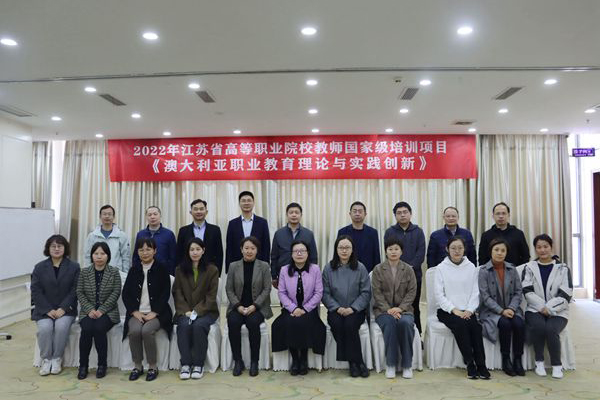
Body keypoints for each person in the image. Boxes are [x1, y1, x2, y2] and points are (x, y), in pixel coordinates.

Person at [434, 236, 490, 379]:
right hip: (447, 311)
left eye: (460, 248)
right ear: (447, 249)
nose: (457, 251)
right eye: (453, 248)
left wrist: (470, 310)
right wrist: (454, 310)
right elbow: (439, 295)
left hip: (467, 310)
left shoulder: (471, 267)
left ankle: (481, 365)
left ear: (464, 249)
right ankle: (470, 364)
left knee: (476, 328)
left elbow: (475, 292)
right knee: (461, 326)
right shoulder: (441, 268)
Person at [271, 240, 326, 375]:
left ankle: (304, 358)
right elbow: (282, 293)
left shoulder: (315, 269)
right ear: (291, 254)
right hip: (291, 309)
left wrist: (305, 309)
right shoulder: (284, 270)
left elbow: (319, 292)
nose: (299, 254)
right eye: (296, 251)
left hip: (309, 309)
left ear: (308, 253)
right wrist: (294, 309)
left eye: (302, 251)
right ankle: (295, 359)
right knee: (289, 322)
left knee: (305, 322)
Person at [122, 238, 173, 381]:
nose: (145, 253)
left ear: (155, 251)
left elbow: (165, 293)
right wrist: (134, 311)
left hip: (157, 313)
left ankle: (152, 366)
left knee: (146, 330)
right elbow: (126, 294)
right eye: (141, 250)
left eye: (148, 249)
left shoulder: (162, 269)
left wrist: (154, 312)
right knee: (134, 331)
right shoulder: (134, 270)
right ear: (137, 252)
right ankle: (137, 366)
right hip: (137, 313)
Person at [522, 234, 572, 379]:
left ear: (551, 247)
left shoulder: (562, 268)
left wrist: (549, 308)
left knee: (551, 329)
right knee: (539, 327)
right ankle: (539, 362)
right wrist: (542, 307)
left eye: (545, 246)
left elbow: (566, 293)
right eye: (539, 247)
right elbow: (527, 291)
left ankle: (557, 365)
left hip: (559, 311)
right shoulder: (529, 267)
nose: (542, 250)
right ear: (535, 249)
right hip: (534, 309)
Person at [322, 235, 371, 378]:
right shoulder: (328, 268)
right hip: (335, 309)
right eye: (341, 247)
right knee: (337, 324)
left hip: (355, 309)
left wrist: (353, 308)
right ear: (336, 250)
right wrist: (337, 308)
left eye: (347, 247)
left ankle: (354, 363)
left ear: (352, 249)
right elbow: (325, 293)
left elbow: (366, 292)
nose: (344, 250)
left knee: (350, 325)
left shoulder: (360, 267)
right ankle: (356, 361)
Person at [31, 235, 80, 376]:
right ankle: (46, 359)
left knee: (61, 327)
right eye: (53, 246)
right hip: (44, 310)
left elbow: (75, 290)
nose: (57, 249)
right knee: (45, 328)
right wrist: (48, 309)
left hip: (66, 310)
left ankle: (57, 358)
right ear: (48, 248)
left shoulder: (74, 267)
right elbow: (36, 291)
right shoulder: (39, 267)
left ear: (65, 248)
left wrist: (63, 308)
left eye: (60, 246)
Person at [173, 238, 219, 380]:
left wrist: (197, 311)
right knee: (184, 326)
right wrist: (186, 310)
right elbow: (177, 292)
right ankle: (185, 364)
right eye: (192, 249)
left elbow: (211, 296)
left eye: (198, 249)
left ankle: (199, 364)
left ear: (203, 250)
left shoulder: (212, 270)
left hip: (206, 311)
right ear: (188, 252)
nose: (195, 252)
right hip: (185, 311)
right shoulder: (180, 269)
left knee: (199, 326)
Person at [225, 236, 272, 377]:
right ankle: (238, 361)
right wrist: (238, 306)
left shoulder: (264, 266)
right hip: (237, 306)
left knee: (253, 322)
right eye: (246, 248)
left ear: (257, 250)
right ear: (241, 250)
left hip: (257, 307)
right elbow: (229, 289)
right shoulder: (233, 266)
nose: (249, 251)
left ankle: (254, 362)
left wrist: (255, 306)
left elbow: (267, 289)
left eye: (252, 248)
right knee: (233, 321)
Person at [371, 236, 417, 379]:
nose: (393, 252)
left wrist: (400, 308)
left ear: (401, 251)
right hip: (383, 311)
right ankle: (390, 364)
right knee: (390, 323)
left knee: (405, 323)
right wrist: (389, 310)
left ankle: (407, 365)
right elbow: (377, 293)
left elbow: (412, 292)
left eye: (396, 249)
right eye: (390, 249)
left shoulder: (408, 269)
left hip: (405, 311)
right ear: (386, 251)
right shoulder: (378, 269)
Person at [478, 239, 525, 376]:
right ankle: (506, 359)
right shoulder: (484, 271)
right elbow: (485, 297)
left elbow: (518, 292)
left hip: (511, 309)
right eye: (496, 250)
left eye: (503, 250)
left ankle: (518, 359)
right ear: (491, 251)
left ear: (506, 253)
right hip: (491, 311)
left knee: (519, 323)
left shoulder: (512, 269)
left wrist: (511, 308)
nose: (500, 253)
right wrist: (501, 311)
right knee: (505, 323)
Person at [76, 242, 122, 379]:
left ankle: (102, 365)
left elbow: (116, 292)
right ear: (92, 256)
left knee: (99, 328)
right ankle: (83, 365)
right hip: (87, 311)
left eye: (102, 253)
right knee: (86, 329)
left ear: (108, 256)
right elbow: (80, 292)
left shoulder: (114, 272)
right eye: (96, 253)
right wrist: (89, 309)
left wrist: (101, 310)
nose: (99, 256)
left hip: (108, 312)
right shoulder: (84, 272)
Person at [383, 201, 426, 333]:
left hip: (414, 276)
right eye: (399, 213)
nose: (402, 215)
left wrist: (408, 269)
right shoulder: (390, 232)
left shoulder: (418, 231)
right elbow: (388, 252)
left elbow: (421, 253)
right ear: (395, 215)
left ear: (410, 214)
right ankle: (398, 332)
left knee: (414, 306)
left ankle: (417, 334)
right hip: (393, 276)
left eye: (405, 212)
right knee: (395, 306)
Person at [270, 202, 318, 288]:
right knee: (284, 296)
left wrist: (312, 274)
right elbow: (274, 256)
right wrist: (274, 276)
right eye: (291, 212)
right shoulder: (279, 233)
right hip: (283, 274)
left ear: (301, 215)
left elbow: (313, 257)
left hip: (304, 274)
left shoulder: (308, 234)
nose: (294, 215)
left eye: (297, 212)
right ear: (287, 215)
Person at [225, 191, 270, 274]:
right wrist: (229, 269)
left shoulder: (262, 222)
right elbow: (229, 248)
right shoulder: (232, 224)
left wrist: (266, 267)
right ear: (239, 203)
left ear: (253, 203)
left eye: (249, 200)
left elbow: (266, 246)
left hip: (258, 266)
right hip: (237, 266)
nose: (246, 203)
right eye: (243, 201)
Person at [176, 199, 224, 275]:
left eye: (201, 209)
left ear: (206, 212)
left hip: (210, 271)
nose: (198, 211)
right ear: (191, 212)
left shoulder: (215, 230)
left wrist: (217, 274)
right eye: (195, 209)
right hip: (188, 271)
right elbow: (179, 254)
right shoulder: (183, 231)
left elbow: (219, 254)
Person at [478, 202, 530, 266]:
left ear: (508, 215)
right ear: (493, 216)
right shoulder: (486, 235)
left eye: (504, 213)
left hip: (515, 270)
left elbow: (526, 256)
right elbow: (482, 258)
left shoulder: (518, 234)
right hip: (491, 271)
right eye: (498, 214)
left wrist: (518, 270)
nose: (501, 216)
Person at [337, 201, 381, 273]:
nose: (357, 214)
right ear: (350, 214)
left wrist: (376, 272)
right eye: (355, 211)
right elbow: (338, 253)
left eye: (360, 211)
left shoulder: (373, 232)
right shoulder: (342, 232)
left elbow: (376, 255)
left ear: (365, 214)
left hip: (368, 271)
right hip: (347, 271)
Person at [84, 204, 131, 272]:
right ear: (100, 216)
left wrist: (125, 273)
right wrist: (88, 273)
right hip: (96, 272)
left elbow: (126, 257)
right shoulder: (92, 235)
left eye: (109, 214)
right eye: (104, 214)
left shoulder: (121, 235)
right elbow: (88, 256)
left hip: (116, 273)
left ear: (113, 217)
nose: (107, 216)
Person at [132, 206, 177, 276]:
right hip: (143, 272)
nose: (152, 217)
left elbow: (173, 257)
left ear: (160, 216)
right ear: (146, 217)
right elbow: (136, 256)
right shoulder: (140, 234)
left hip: (163, 273)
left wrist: (170, 273)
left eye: (155, 214)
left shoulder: (169, 234)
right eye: (149, 215)